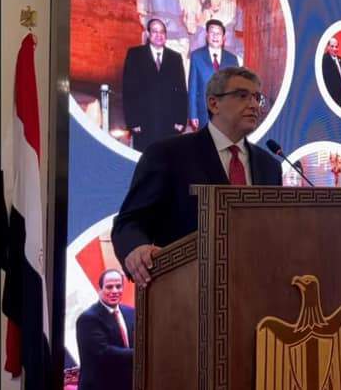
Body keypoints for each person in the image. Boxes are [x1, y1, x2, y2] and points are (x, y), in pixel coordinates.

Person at [112, 67, 283, 286]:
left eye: (257, 98)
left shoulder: (269, 166)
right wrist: (136, 248)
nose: (253, 105)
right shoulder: (168, 155)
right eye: (242, 95)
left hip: (255, 290)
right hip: (186, 291)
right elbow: (130, 222)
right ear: (214, 104)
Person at [121, 18, 187, 152]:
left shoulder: (175, 58)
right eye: (155, 31)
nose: (159, 35)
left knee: (167, 160)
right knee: (146, 160)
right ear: (148, 34)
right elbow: (128, 91)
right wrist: (132, 122)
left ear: (166, 35)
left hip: (169, 125)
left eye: (162, 32)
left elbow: (181, 91)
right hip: (143, 124)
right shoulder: (135, 55)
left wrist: (181, 120)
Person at [76, 270, 134, 390]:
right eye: (109, 287)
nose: (114, 291)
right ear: (100, 290)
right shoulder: (88, 319)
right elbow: (104, 353)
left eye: (118, 286)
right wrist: (140, 354)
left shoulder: (131, 313)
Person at [188, 19, 240, 130]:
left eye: (218, 33)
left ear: (224, 38)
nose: (215, 36)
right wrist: (193, 114)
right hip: (204, 113)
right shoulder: (197, 56)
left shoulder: (232, 59)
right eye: (212, 32)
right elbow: (193, 88)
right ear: (207, 36)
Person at [321, 37, 341, 109]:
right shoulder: (323, 60)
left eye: (336, 46)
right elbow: (330, 81)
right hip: (329, 100)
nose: (334, 49)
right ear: (328, 47)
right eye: (332, 46)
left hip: (340, 101)